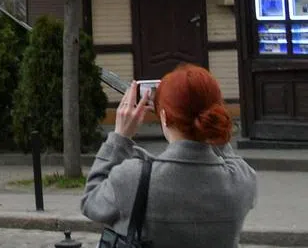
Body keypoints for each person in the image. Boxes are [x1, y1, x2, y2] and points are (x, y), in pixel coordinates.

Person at [81, 64, 256, 248]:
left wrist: (120, 137)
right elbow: (227, 154)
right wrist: (207, 124)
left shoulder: (134, 178)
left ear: (163, 116)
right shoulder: (242, 180)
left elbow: (91, 201)